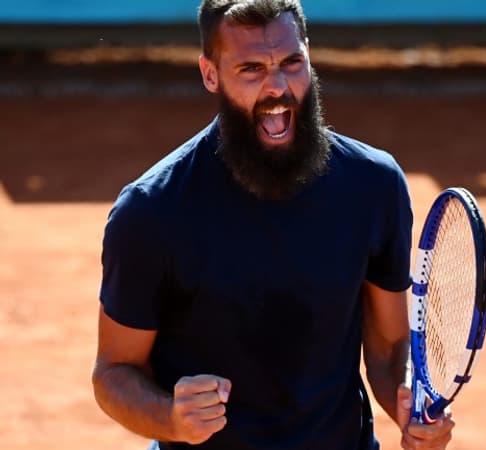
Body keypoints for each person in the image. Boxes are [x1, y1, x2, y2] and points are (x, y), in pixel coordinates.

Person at [91, 1, 455, 449]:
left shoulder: (372, 185)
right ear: (210, 74)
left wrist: (407, 402)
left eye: (291, 63)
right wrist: (170, 417)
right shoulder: (151, 212)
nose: (278, 86)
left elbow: (389, 347)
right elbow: (113, 373)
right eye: (251, 69)